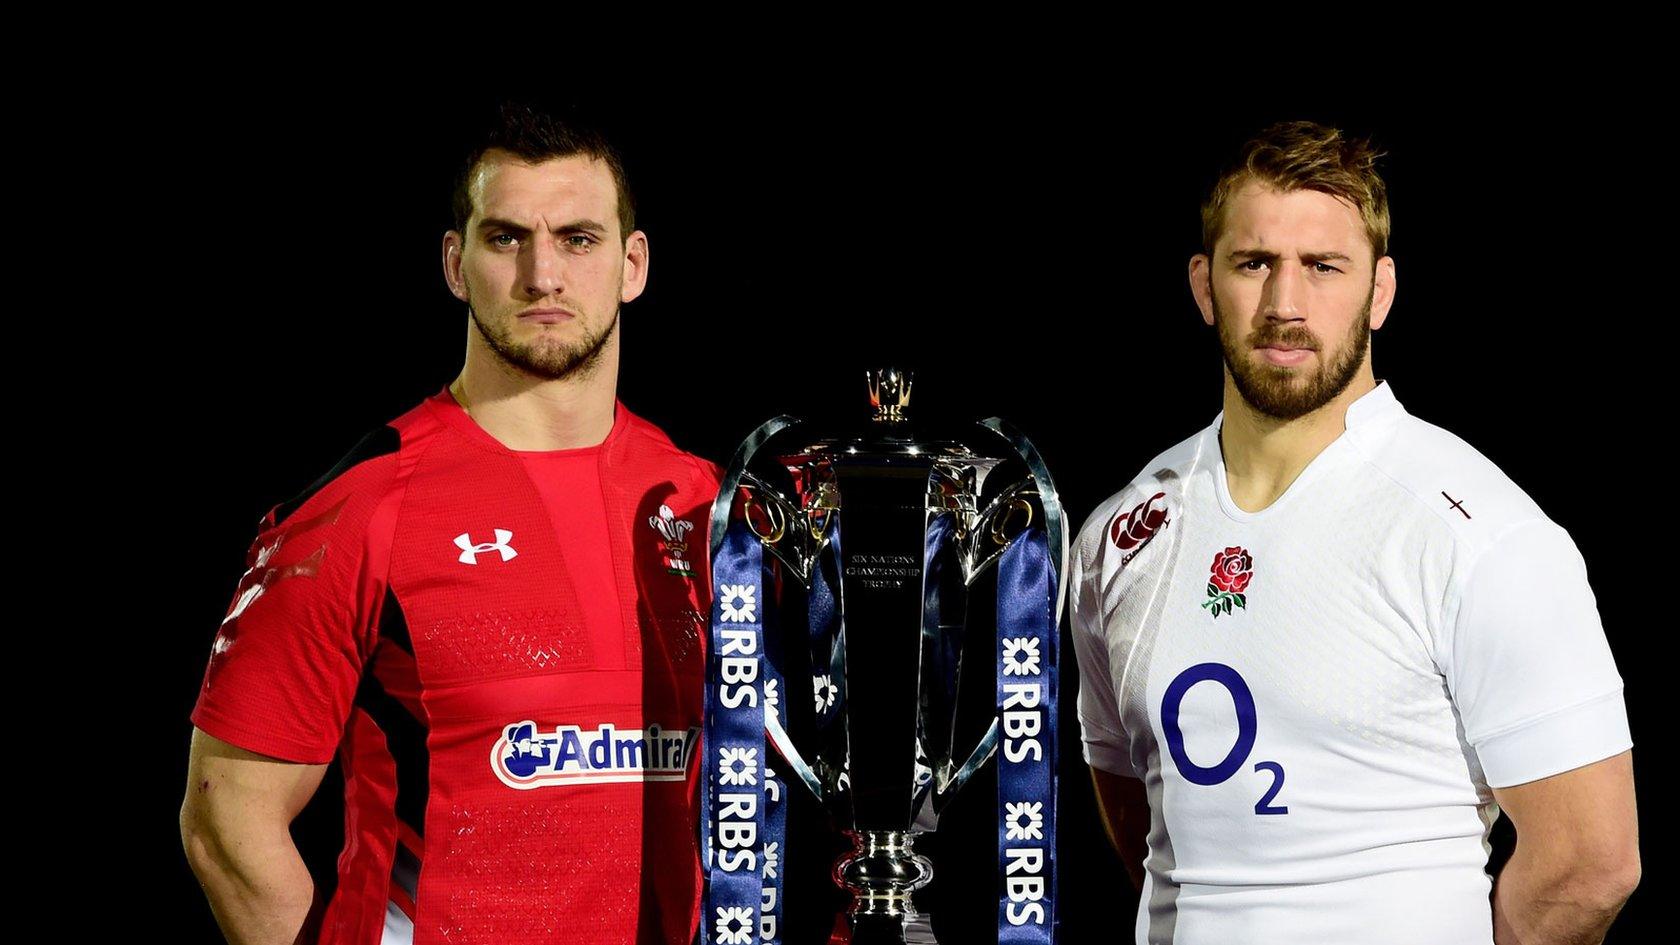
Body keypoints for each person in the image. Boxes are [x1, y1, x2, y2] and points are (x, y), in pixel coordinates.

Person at [1069, 121, 1639, 944]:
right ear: (1203, 285)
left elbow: (1592, 863)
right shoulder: (1121, 536)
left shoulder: (1479, 532)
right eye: (1253, 263)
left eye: (1323, 267)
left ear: (1380, 291)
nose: (1284, 304)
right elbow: (1142, 818)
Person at [179, 103, 720, 944]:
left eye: (578, 239)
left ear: (633, 263)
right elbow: (226, 822)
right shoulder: (363, 507)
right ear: (455, 264)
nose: (544, 275)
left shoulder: (700, 502)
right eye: (506, 238)